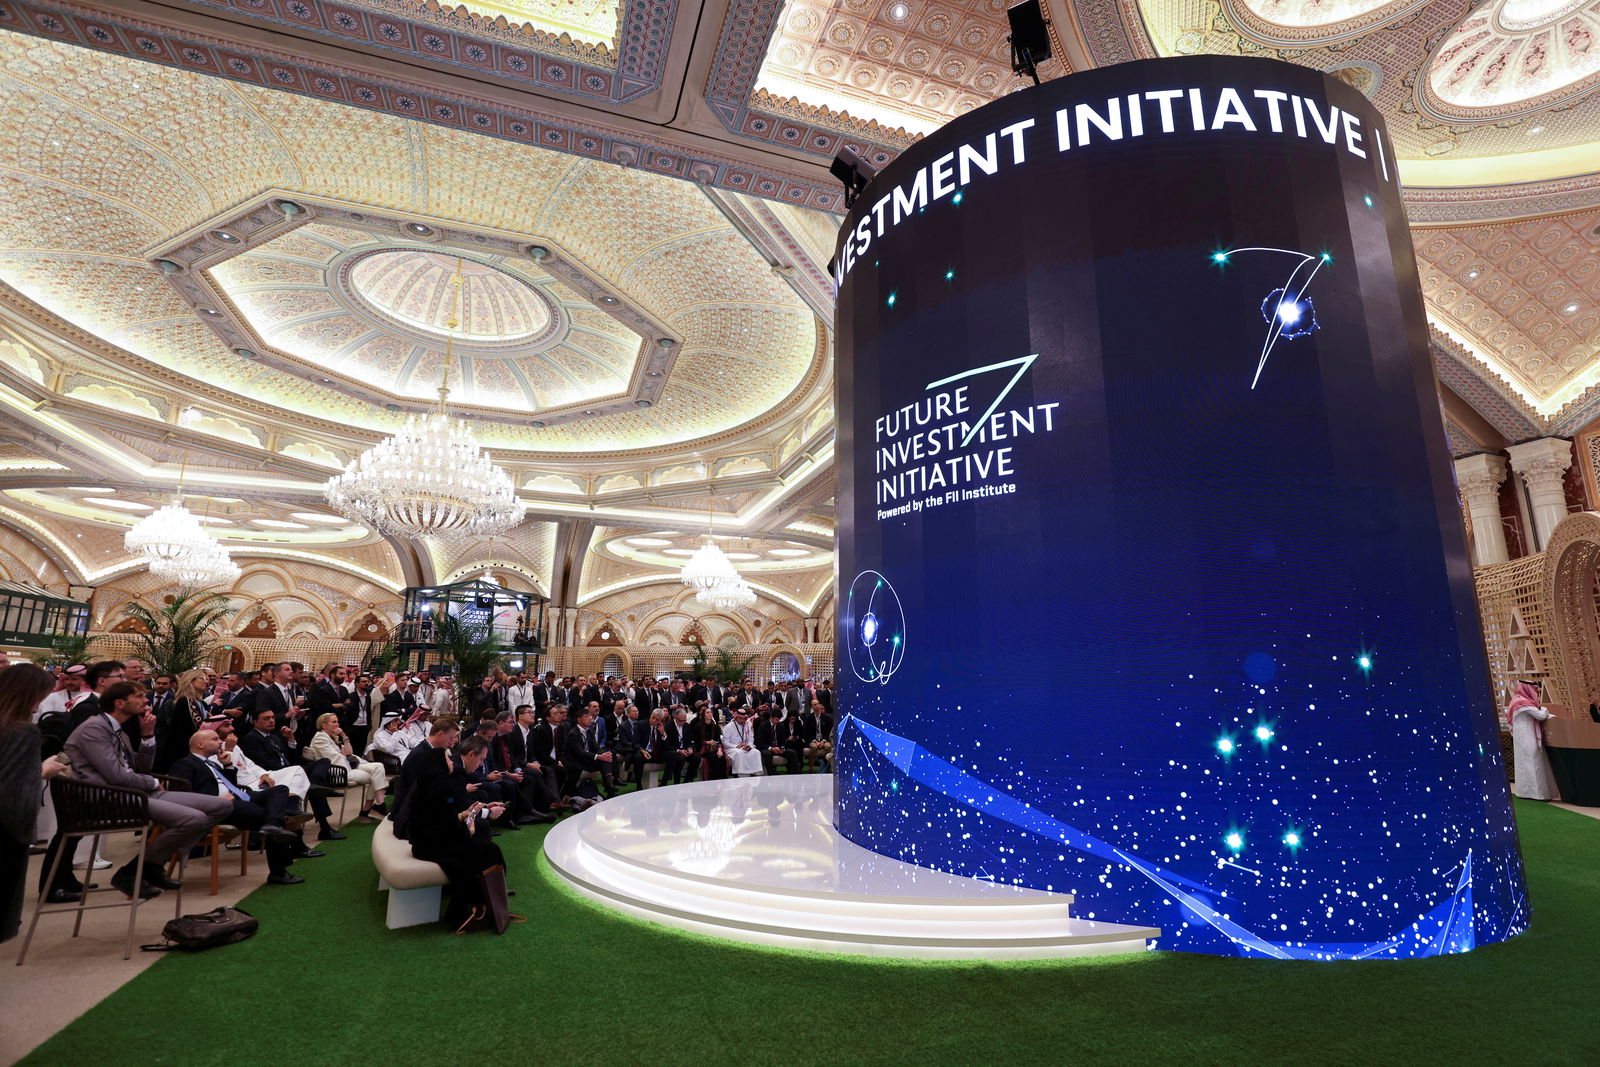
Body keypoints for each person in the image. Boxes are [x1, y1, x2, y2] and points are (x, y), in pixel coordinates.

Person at [62, 681, 233, 900]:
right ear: (120, 703)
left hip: (136, 792)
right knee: (194, 819)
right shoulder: (95, 728)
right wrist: (151, 782)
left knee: (222, 805)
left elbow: (141, 768)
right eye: (139, 696)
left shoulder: (118, 728)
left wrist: (147, 736)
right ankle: (146, 867)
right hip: (110, 797)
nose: (146, 700)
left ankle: (143, 867)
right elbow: (116, 776)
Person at [167, 730, 306, 885]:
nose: (220, 742)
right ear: (200, 744)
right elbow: (181, 796)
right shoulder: (184, 764)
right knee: (272, 816)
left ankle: (273, 825)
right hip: (218, 808)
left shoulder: (212, 763)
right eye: (215, 739)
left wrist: (228, 766)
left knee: (280, 790)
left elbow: (230, 785)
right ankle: (278, 870)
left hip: (237, 797)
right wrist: (215, 800)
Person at [407, 737, 517, 932]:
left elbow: (440, 819)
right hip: (431, 845)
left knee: (486, 850)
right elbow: (438, 825)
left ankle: (486, 903)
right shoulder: (439, 787)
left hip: (430, 841)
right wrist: (468, 829)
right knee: (488, 851)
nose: (452, 761)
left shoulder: (433, 785)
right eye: (448, 759)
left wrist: (465, 815)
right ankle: (480, 908)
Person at [2, 665, 68, 931]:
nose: (37, 707)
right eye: (38, 698)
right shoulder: (22, 732)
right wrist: (43, 770)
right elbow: (15, 792)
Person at [305, 713, 388, 821]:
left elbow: (349, 752)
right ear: (324, 725)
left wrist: (343, 736)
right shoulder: (320, 738)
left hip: (347, 765)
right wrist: (343, 754)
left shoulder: (332, 737)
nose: (337, 724)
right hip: (337, 772)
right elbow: (333, 759)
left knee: (379, 767)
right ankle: (370, 809)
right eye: (334, 722)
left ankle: (378, 805)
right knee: (376, 776)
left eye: (337, 722)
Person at [1507, 680, 1559, 801]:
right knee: (1532, 762)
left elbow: (1538, 712)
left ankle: (1528, 793)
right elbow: (1540, 715)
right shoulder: (1521, 702)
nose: (1536, 693)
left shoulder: (1524, 701)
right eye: (1534, 690)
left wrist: (1549, 715)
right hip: (1526, 735)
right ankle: (1537, 794)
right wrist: (1545, 709)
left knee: (1529, 762)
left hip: (1527, 734)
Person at [153, 667, 208, 773]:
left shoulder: (201, 703)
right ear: (191, 680)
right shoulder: (183, 702)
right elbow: (187, 730)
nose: (206, 681)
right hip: (181, 753)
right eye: (202, 678)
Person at [722, 705, 763, 777]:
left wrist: (749, 746)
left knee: (756, 752)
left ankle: (756, 774)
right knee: (740, 753)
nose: (742, 720)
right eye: (740, 718)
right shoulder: (728, 727)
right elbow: (725, 742)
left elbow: (751, 738)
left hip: (745, 747)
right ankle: (742, 775)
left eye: (744, 719)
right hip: (732, 748)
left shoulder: (748, 725)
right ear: (736, 717)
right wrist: (736, 746)